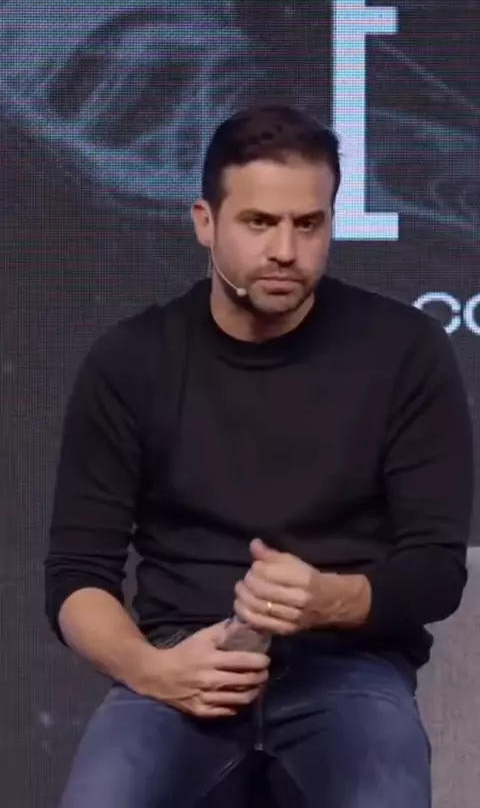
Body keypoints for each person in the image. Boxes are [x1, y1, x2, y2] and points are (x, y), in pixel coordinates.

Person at [45, 104, 473, 808]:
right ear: (205, 222)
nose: (285, 250)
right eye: (258, 222)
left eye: (308, 224)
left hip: (349, 670)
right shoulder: (131, 360)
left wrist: (329, 598)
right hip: (181, 660)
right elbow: (75, 578)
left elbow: (435, 571)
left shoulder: (405, 350)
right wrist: (152, 669)